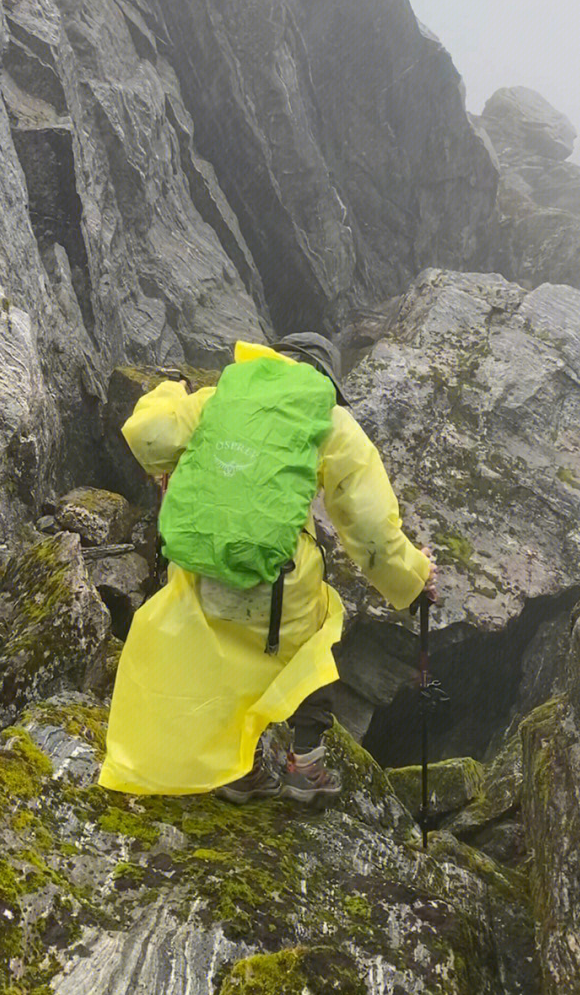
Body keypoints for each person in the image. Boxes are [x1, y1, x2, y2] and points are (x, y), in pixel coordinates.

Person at [98, 334, 436, 807]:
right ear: (325, 379)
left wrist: (173, 390)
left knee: (221, 661)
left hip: (206, 567)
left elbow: (147, 436)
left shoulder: (220, 397)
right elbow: (369, 526)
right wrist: (414, 578)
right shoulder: (330, 419)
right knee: (310, 648)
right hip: (279, 587)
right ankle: (306, 767)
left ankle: (238, 771)